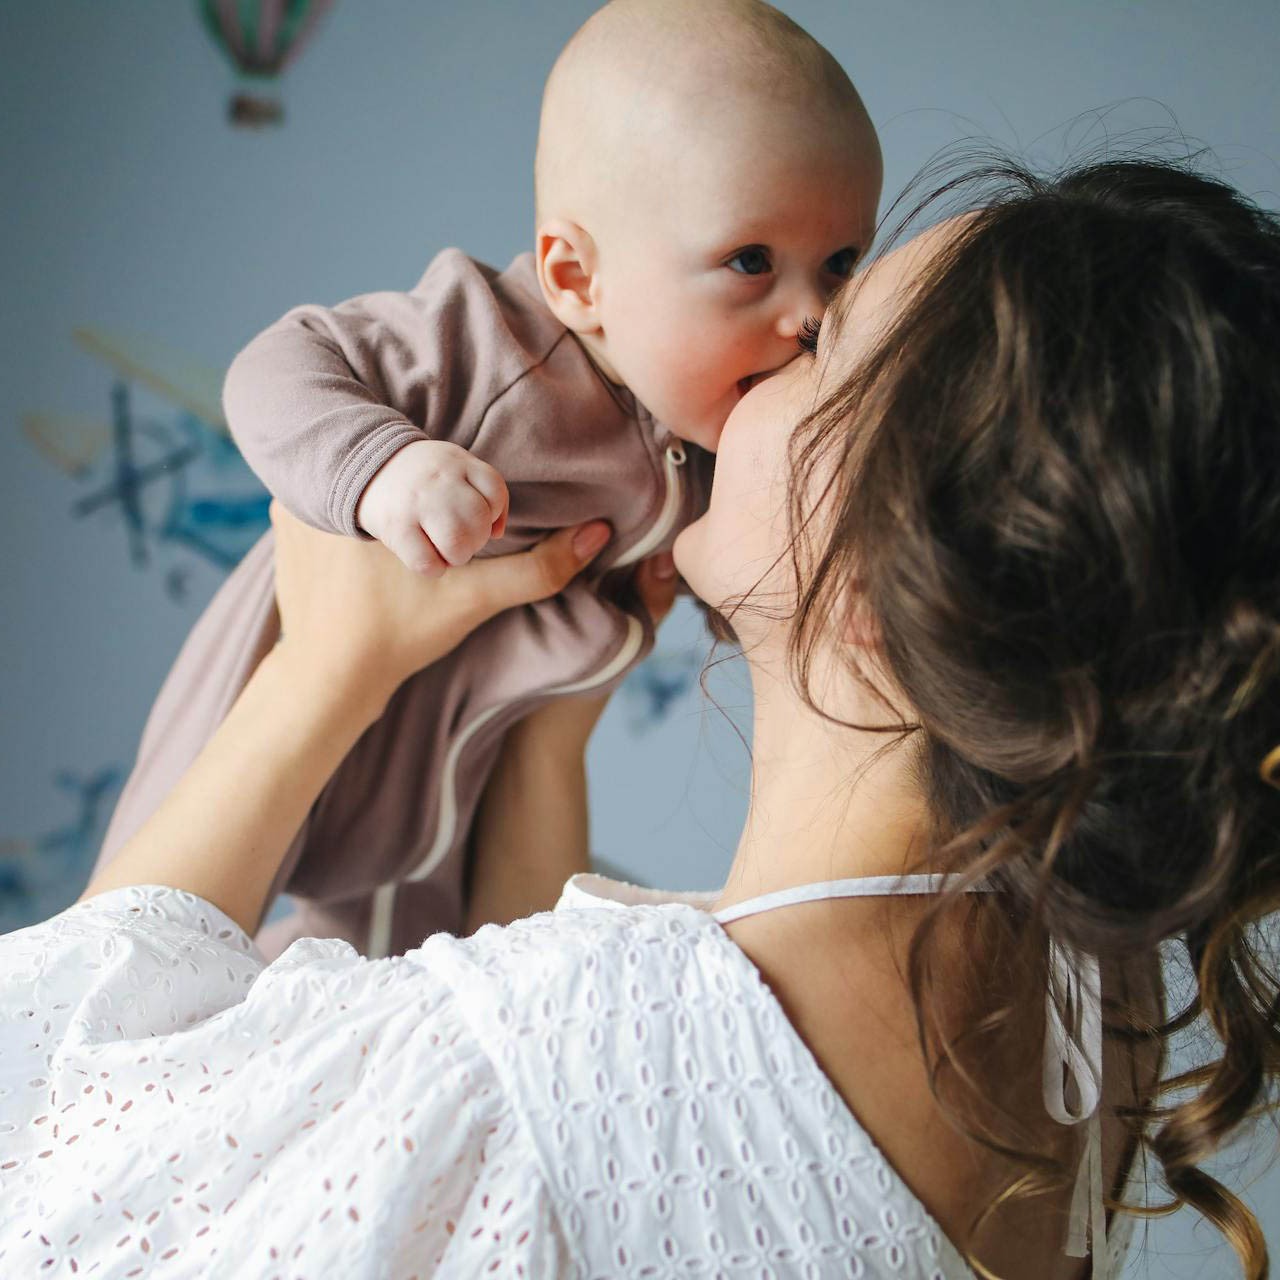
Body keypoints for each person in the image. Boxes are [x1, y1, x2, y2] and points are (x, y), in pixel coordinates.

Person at [4, 155, 1279, 1279]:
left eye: (822, 351)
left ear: (893, 581)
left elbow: (44, 1149)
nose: (756, 365)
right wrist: (548, 734)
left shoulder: (519, 1068)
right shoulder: (1074, 1020)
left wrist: (320, 675)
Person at [90, 0, 883, 961]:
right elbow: (277, 364)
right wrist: (381, 465)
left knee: (398, 980)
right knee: (138, 946)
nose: (810, 315)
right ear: (576, 277)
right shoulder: (487, 345)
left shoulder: (715, 425)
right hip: (295, 681)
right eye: (751, 262)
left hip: (459, 765)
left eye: (841, 265)